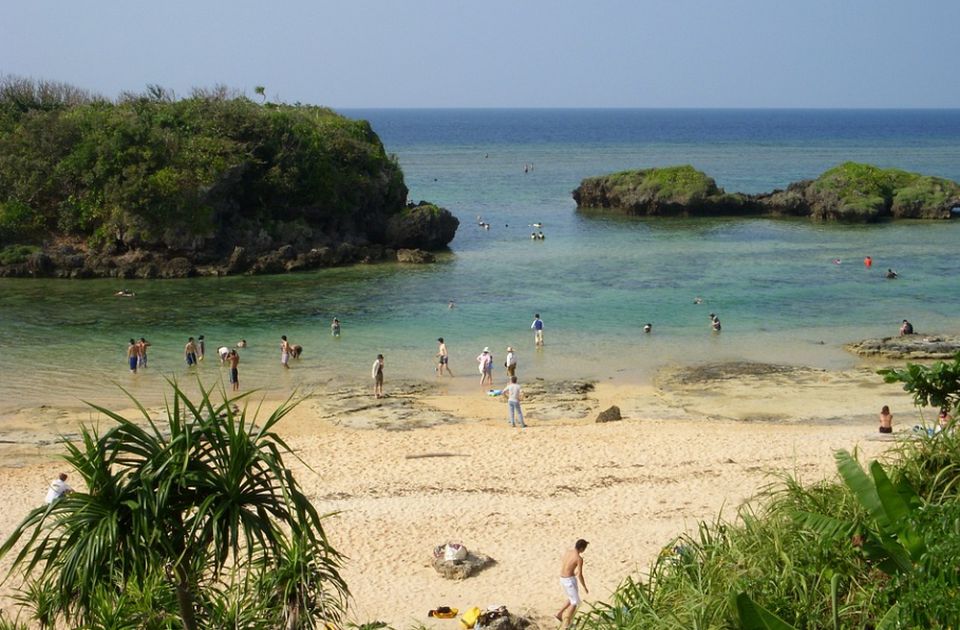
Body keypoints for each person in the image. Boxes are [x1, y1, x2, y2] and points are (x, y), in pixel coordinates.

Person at [556, 539, 589, 628]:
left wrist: (571, 572)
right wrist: (585, 587)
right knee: (575, 602)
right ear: (581, 548)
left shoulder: (568, 552)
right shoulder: (579, 558)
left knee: (571, 598)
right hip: (569, 581)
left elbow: (566, 564)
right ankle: (567, 623)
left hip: (562, 578)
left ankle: (559, 614)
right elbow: (580, 575)